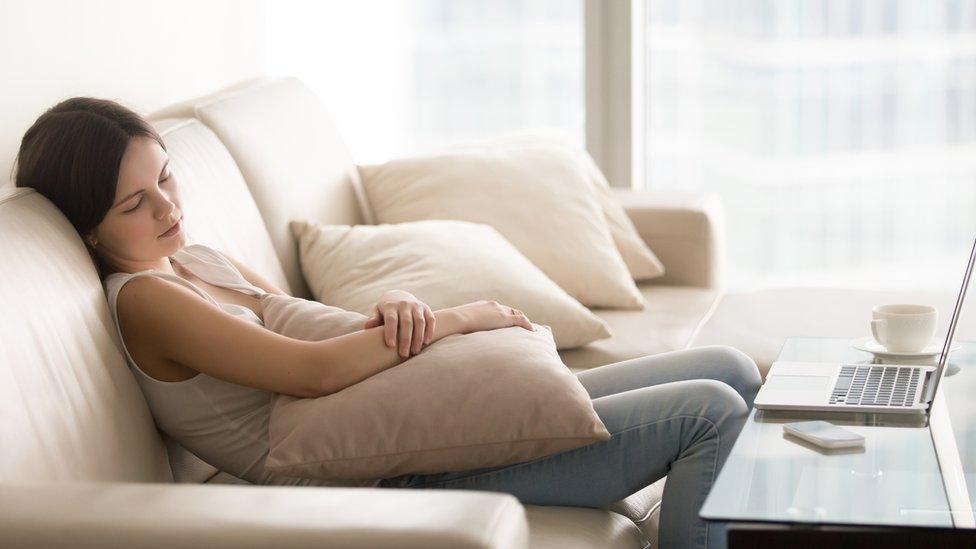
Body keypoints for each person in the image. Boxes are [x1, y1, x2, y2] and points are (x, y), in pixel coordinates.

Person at [14, 97, 761, 549]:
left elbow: (315, 332)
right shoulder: (145, 299)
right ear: (88, 229)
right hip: (393, 467)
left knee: (729, 364)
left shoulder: (196, 259)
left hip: (411, 411)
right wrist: (456, 318)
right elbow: (310, 372)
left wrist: (396, 315)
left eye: (165, 178)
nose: (168, 208)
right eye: (134, 204)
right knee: (712, 412)